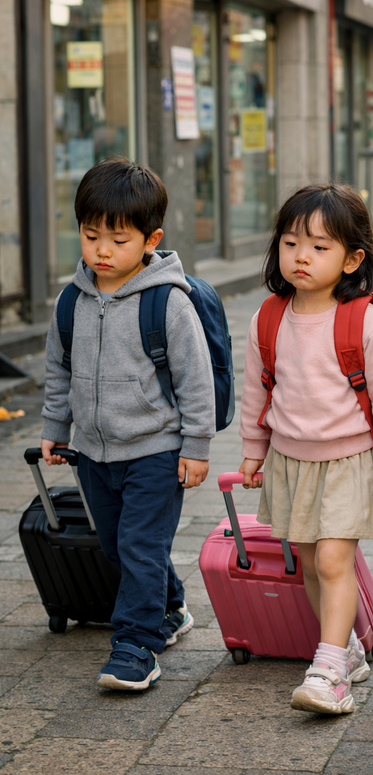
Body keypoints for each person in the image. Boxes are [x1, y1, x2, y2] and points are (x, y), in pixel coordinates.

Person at [40, 158, 215, 691]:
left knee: (139, 546)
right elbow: (58, 366)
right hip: (94, 452)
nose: (101, 251)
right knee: (118, 546)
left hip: (155, 451)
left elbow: (195, 380)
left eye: (117, 239)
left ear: (150, 239)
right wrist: (56, 425)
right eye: (91, 236)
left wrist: (196, 446)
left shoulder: (168, 301)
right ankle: (171, 606)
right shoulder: (71, 300)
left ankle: (136, 645)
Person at [238, 184, 373, 716]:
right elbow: (257, 390)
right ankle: (349, 650)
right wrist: (253, 449)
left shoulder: (364, 320)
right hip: (291, 460)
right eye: (291, 244)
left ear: (352, 258)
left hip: (348, 460)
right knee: (311, 564)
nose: (301, 257)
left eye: (318, 247)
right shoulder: (268, 317)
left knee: (335, 559)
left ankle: (330, 668)